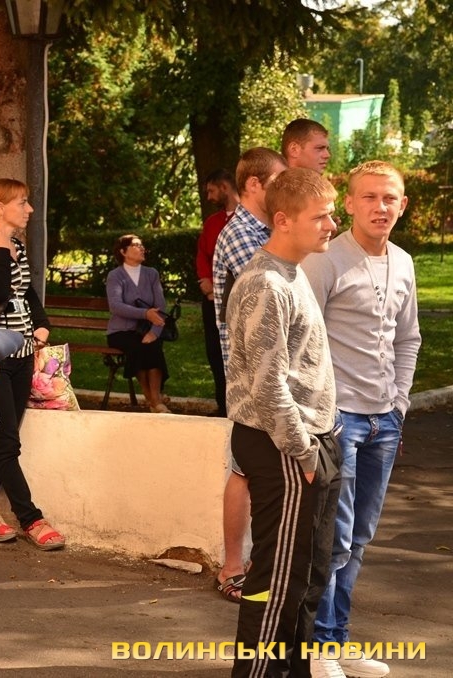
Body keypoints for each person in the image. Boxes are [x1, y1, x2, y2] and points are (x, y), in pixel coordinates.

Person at [303, 161, 420, 678]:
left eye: (389, 198)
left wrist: (400, 403)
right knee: (335, 537)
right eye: (368, 197)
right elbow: (302, 340)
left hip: (384, 422)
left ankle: (338, 638)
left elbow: (408, 338)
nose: (380, 207)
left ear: (402, 205)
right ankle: (320, 647)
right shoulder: (326, 259)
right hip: (339, 419)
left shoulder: (404, 262)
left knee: (360, 538)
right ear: (348, 203)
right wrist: (320, 413)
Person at [226, 167, 342, 678]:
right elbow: (268, 385)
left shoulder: (293, 273)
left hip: (311, 441)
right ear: (282, 220)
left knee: (309, 575)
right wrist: (305, 451)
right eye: (320, 217)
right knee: (277, 580)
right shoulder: (265, 283)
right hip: (285, 447)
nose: (331, 225)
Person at [0, 178, 65, 551]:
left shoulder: (18, 246)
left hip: (23, 357)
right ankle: (31, 518)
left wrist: (42, 324)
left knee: (1, 441)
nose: (29, 209)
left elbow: (26, 293)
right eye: (22, 202)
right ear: (0, 207)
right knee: (7, 442)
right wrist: (2, 250)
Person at [211, 147, 288, 602]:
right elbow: (272, 293)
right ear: (254, 184)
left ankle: (256, 565)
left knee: (256, 471)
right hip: (249, 378)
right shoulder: (241, 234)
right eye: (277, 180)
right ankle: (232, 568)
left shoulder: (261, 230)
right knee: (243, 471)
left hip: (264, 374)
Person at [106, 234, 172, 413]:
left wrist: (154, 332)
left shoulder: (151, 274)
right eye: (136, 245)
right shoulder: (115, 276)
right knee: (138, 347)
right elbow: (115, 306)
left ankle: (154, 400)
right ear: (123, 251)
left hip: (148, 329)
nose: (142, 248)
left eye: (142, 245)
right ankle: (154, 400)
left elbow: (160, 307)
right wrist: (145, 314)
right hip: (121, 332)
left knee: (153, 346)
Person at [196, 169, 239, 417]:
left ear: (224, 187)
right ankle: (223, 406)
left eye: (212, 191)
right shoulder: (212, 222)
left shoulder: (251, 221)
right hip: (211, 299)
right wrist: (206, 281)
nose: (209, 197)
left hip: (236, 299)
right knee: (215, 352)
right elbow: (202, 254)